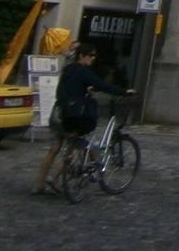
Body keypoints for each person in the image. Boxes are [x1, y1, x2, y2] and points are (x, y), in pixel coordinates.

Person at [32, 43, 132, 196]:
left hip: (59, 113)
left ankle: (39, 184)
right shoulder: (84, 72)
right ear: (82, 56)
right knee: (76, 143)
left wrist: (85, 89)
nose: (93, 59)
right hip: (74, 115)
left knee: (55, 149)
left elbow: (69, 88)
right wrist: (123, 91)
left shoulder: (68, 70)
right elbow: (102, 85)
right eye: (91, 56)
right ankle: (55, 177)